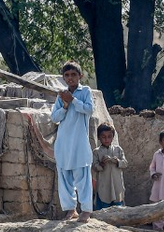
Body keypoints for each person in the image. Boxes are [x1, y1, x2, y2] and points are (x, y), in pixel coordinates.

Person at [50, 61, 94, 222]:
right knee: (65, 177)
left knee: (83, 177)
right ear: (63, 78)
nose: (70, 78)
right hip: (63, 142)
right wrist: (65, 105)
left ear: (80, 76)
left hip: (79, 143)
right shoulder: (61, 95)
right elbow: (54, 118)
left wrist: (73, 100)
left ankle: (86, 210)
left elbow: (89, 110)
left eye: (73, 75)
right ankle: (70, 210)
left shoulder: (86, 91)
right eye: (67, 75)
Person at [91, 123, 128, 210]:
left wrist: (117, 161)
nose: (106, 139)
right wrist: (101, 164)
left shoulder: (118, 149)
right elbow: (94, 166)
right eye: (103, 137)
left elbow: (125, 163)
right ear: (99, 137)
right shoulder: (96, 152)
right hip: (104, 185)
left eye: (109, 136)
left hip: (117, 185)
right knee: (103, 208)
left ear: (113, 137)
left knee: (119, 208)